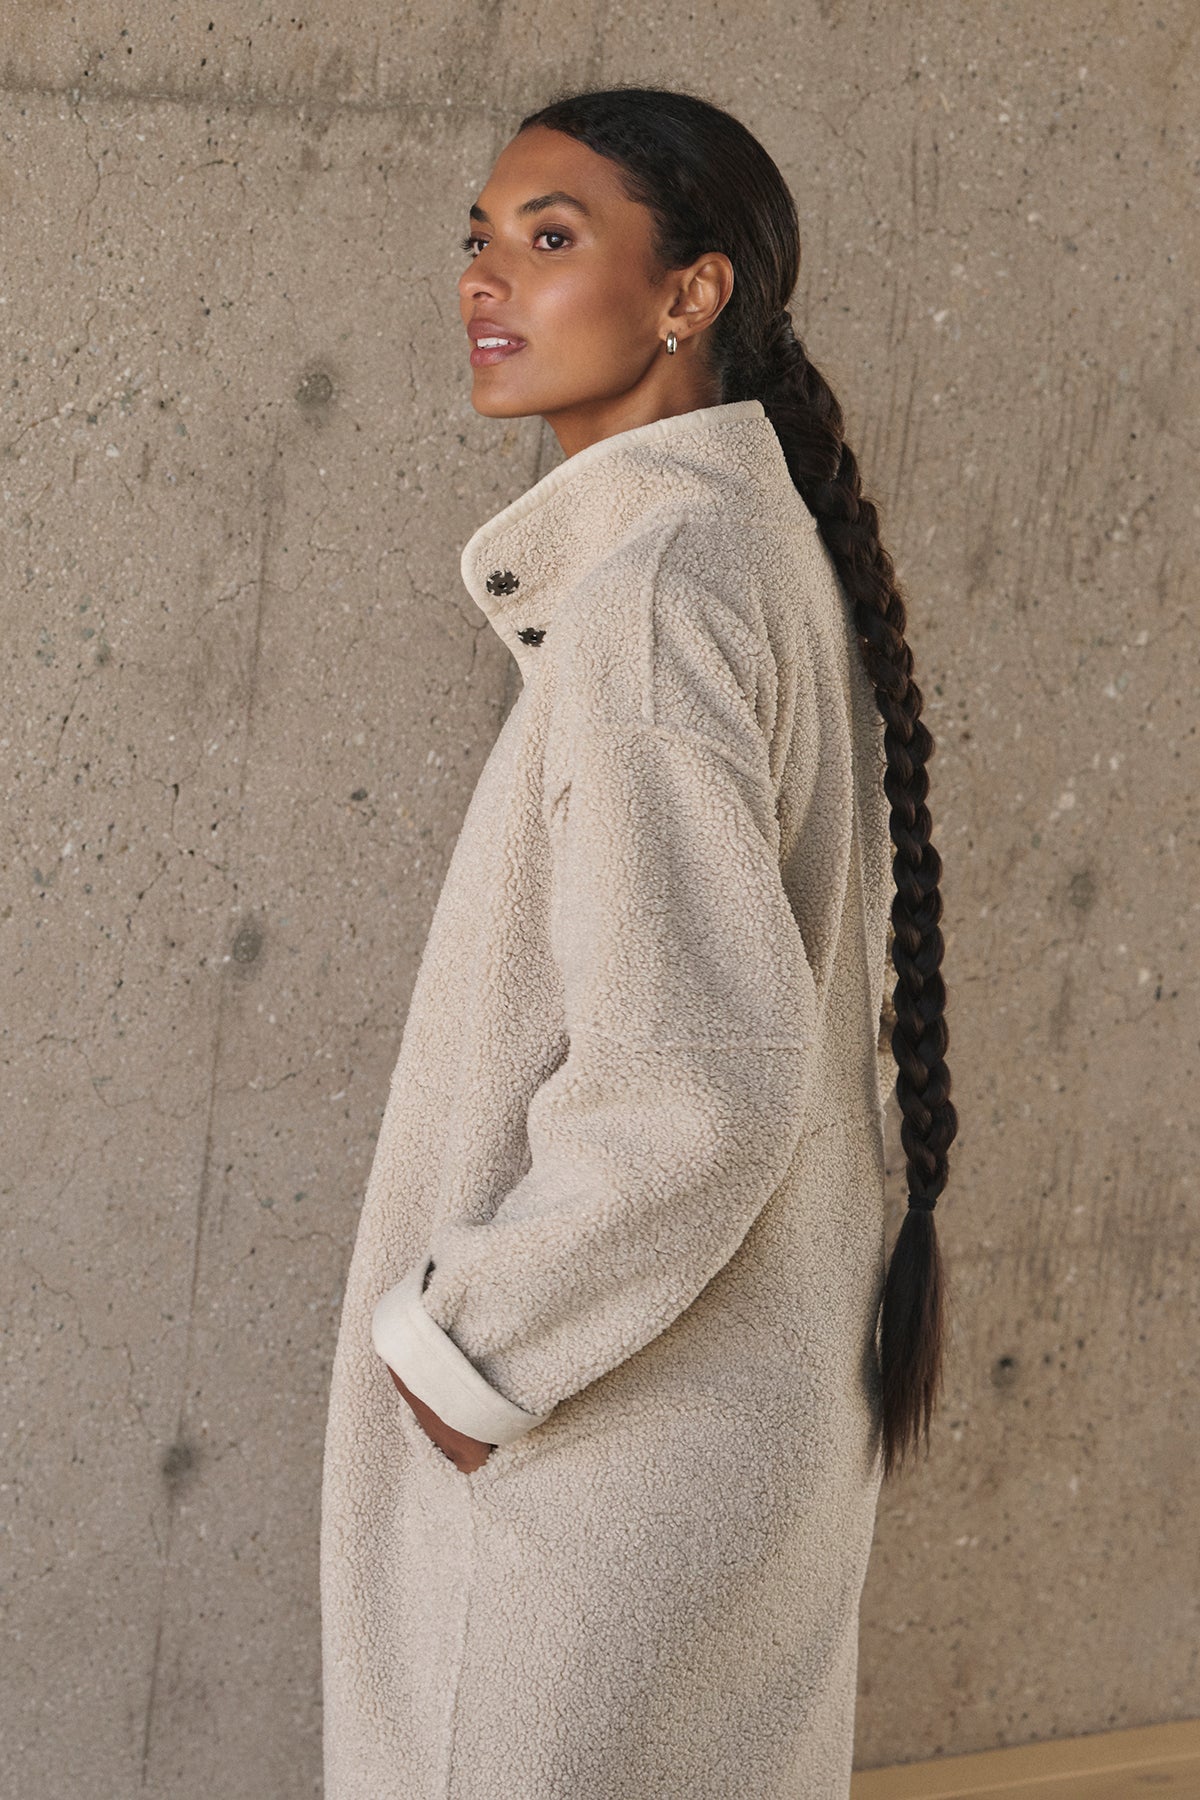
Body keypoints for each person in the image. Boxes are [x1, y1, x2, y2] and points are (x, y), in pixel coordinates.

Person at [321, 84, 957, 1800]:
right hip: (718, 1445)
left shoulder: (658, 596)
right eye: (479, 238)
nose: (485, 280)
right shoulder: (749, 555)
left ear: (693, 295)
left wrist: (476, 1351)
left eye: (551, 237)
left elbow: (704, 1079)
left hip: (593, 1481)